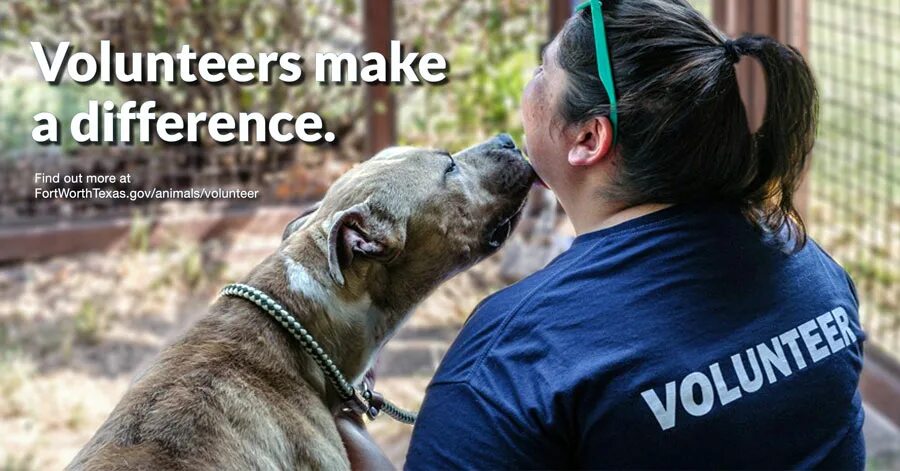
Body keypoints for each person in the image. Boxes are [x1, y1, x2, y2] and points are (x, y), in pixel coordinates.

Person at [339, 0, 866, 469]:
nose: (530, 84)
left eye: (542, 71)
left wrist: (333, 415)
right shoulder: (811, 271)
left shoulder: (515, 358)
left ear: (589, 138)